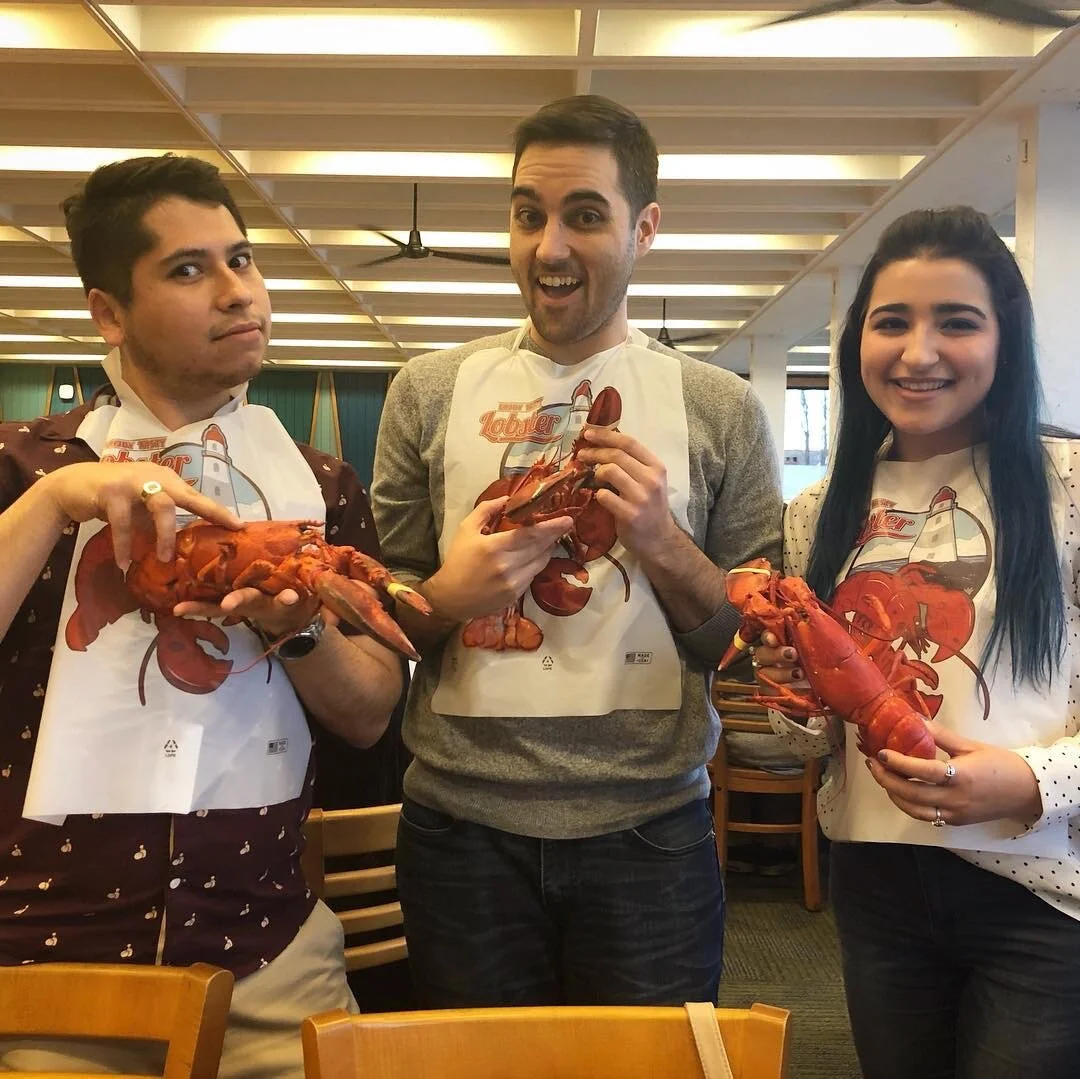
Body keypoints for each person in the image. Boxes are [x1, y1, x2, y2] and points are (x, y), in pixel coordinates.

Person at [371, 94, 783, 1007]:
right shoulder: (423, 391)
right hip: (459, 829)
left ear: (645, 228)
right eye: (529, 215)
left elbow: (745, 644)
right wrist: (448, 596)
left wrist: (662, 542)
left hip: (652, 831)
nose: (549, 247)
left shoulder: (722, 408)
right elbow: (380, 609)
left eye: (586, 216)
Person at [0, 155, 405, 1078]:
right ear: (109, 312)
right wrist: (56, 501)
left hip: (269, 953)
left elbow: (371, 712)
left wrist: (298, 629)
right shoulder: (24, 467)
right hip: (47, 961)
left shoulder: (322, 486)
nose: (237, 291)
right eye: (188, 269)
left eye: (242, 259)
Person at [753, 205, 1080, 1078]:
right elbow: (811, 739)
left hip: (1044, 893)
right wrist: (789, 689)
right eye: (891, 321)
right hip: (878, 883)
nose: (918, 352)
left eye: (957, 322)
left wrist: (1032, 779)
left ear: (1005, 338)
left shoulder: (1071, 486)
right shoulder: (818, 511)